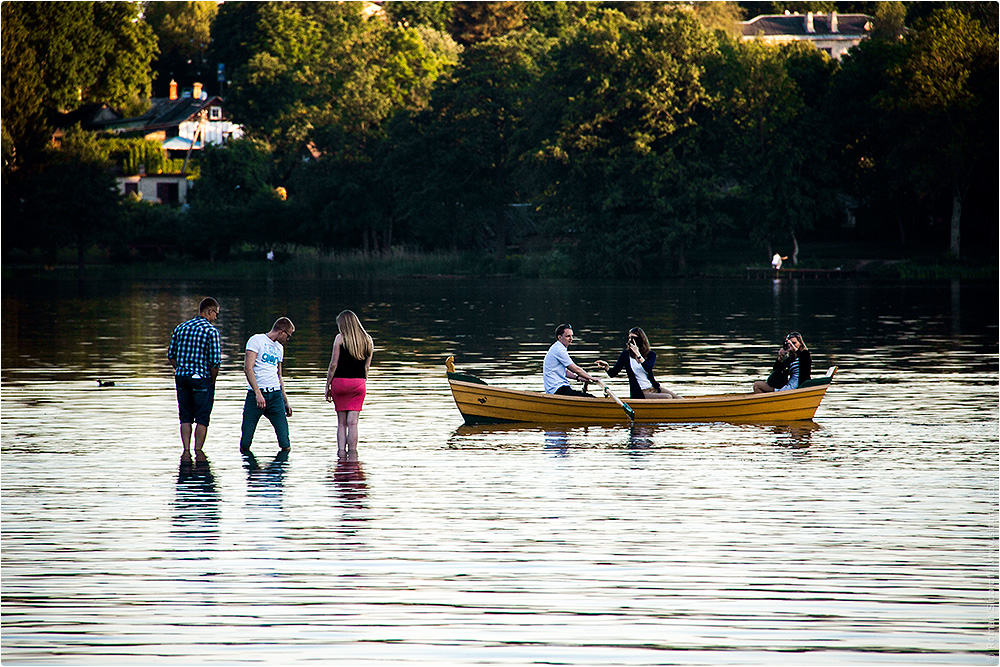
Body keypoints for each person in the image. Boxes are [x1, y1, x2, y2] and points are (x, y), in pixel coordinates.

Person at [167, 297, 222, 452]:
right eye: (216, 314)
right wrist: (212, 380)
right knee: (202, 418)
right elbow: (215, 362)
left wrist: (181, 369)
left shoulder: (180, 328)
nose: (216, 317)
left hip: (182, 377)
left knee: (185, 416)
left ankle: (186, 450)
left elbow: (171, 355)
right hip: (202, 379)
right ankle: (198, 452)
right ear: (210, 311)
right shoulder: (211, 331)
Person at [239, 317, 295, 454]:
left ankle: (279, 471)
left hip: (275, 396)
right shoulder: (256, 340)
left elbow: (279, 375)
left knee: (285, 442)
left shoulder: (280, 348)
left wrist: (285, 401)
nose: (288, 339)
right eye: (288, 336)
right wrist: (258, 393)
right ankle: (251, 470)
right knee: (246, 440)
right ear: (282, 331)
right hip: (256, 395)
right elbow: (248, 368)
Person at [325, 310, 374, 458]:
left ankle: (340, 454)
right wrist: (361, 383)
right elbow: (366, 367)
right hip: (358, 383)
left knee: (342, 423)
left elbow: (333, 365)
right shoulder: (368, 340)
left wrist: (327, 385)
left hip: (340, 383)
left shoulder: (340, 339)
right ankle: (353, 456)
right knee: (353, 424)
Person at [596, 327, 680, 399]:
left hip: (653, 387)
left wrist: (638, 354)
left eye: (633, 338)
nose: (630, 340)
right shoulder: (625, 355)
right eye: (629, 338)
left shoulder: (651, 355)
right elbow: (613, 373)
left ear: (640, 340)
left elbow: (648, 368)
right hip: (641, 392)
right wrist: (606, 367)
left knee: (678, 398)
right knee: (668, 397)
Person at [543, 324, 600, 397]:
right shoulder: (559, 350)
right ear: (559, 337)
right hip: (557, 389)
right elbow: (576, 369)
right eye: (568, 336)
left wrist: (577, 378)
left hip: (557, 388)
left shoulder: (557, 347)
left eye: (571, 336)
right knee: (590, 398)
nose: (571, 338)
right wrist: (592, 378)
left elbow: (564, 371)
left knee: (584, 396)